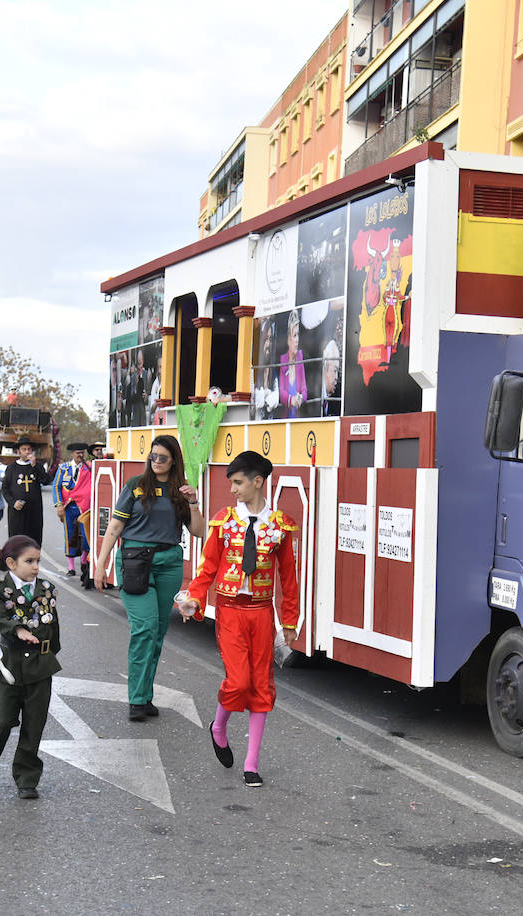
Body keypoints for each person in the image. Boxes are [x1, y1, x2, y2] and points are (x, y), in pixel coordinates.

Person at [178, 452, 299, 788]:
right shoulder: (223, 521)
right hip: (230, 611)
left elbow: (289, 579)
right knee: (239, 681)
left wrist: (289, 623)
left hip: (262, 613)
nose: (232, 490)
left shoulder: (281, 525)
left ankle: (251, 763)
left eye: (238, 482)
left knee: (261, 685)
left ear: (258, 481)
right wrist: (194, 599)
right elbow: (208, 568)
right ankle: (218, 727)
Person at [95, 434, 206, 721]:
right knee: (143, 628)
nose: (156, 462)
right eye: (152, 457)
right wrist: (101, 563)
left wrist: (193, 502)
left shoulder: (179, 490)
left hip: (169, 562)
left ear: (173, 461)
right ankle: (136, 699)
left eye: (162, 458)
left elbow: (198, 531)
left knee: (157, 633)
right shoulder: (136, 486)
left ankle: (145, 696)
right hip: (135, 561)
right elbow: (115, 527)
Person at [0, 535, 60, 799]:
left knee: (34, 726)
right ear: (11, 563)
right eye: (29, 561)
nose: (35, 567)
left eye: (37, 561)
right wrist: (18, 630)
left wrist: (51, 652)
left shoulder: (46, 589)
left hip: (39, 667)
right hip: (9, 666)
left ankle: (27, 778)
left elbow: (53, 623)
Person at [53, 442, 95, 587]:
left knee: (85, 535)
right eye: (78, 453)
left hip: (84, 507)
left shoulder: (89, 467)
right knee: (70, 535)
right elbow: (57, 487)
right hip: (68, 507)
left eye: (82, 453)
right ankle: (71, 566)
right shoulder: (63, 468)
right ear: (72, 454)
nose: (80, 455)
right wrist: (59, 505)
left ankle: (84, 559)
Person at [2, 436, 53, 547]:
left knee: (34, 540)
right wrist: (13, 502)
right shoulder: (11, 468)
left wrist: (35, 466)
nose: (27, 452)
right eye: (24, 449)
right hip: (17, 511)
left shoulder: (37, 466)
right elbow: (5, 489)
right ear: (18, 451)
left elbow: (46, 480)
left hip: (34, 511)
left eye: (29, 449)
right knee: (17, 541)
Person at [279, 310, 309, 419]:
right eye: (294, 335)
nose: (297, 340)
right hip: (285, 418)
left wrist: (301, 397)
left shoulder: (300, 357)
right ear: (288, 339)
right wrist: (291, 400)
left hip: (298, 417)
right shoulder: (283, 360)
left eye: (298, 335)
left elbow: (304, 390)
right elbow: (280, 391)